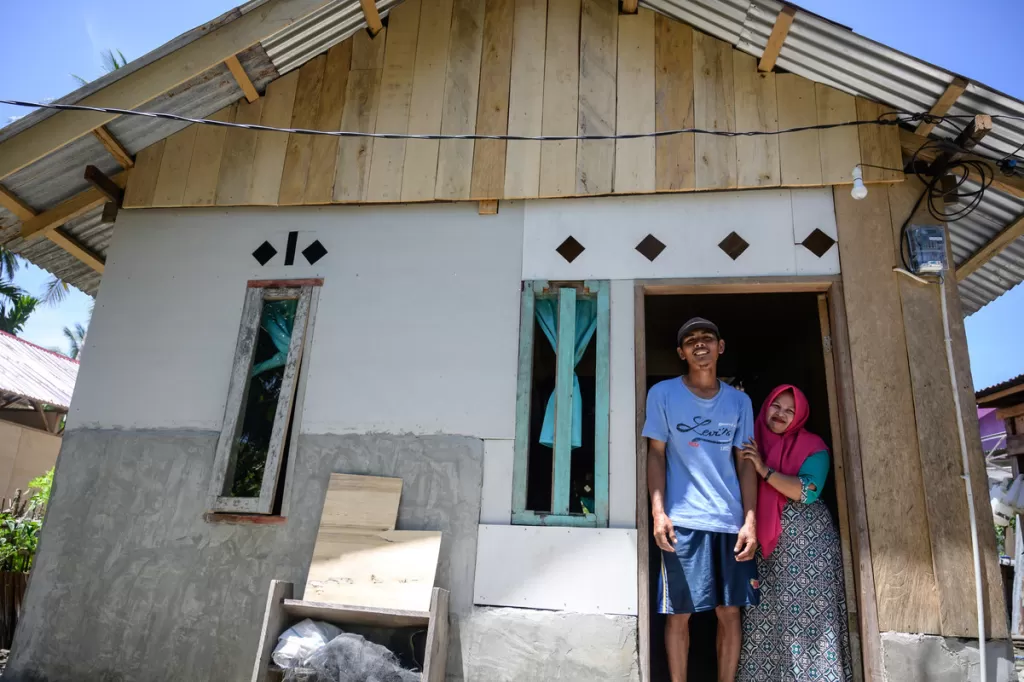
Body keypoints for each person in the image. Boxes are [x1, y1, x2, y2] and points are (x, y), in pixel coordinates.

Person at [643, 317, 759, 682]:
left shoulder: (740, 402)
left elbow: (745, 463)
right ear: (681, 353)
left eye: (707, 338)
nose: (699, 344)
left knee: (730, 613)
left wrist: (750, 521)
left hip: (729, 521)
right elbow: (656, 454)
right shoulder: (663, 394)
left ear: (720, 347)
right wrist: (658, 512)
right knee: (679, 613)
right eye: (690, 340)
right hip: (683, 520)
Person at [736, 384, 853, 682]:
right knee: (766, 618)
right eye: (777, 406)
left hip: (806, 546)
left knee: (807, 622)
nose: (781, 415)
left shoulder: (813, 447)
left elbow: (806, 492)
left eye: (790, 411)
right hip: (764, 544)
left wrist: (764, 469)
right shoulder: (751, 438)